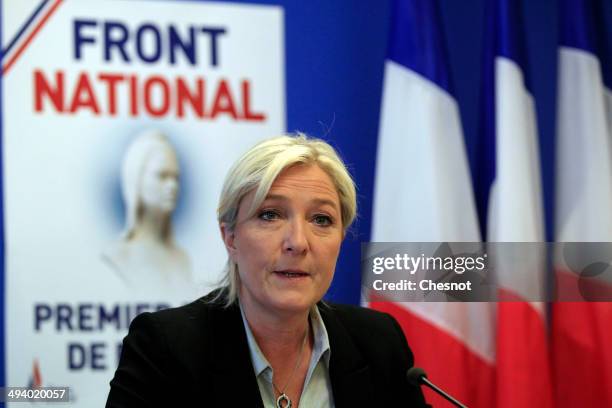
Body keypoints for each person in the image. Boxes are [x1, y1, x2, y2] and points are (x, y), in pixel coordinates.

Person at [106, 134, 429, 407]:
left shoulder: (379, 343)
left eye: (321, 220)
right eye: (270, 215)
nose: (298, 243)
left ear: (341, 238)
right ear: (230, 236)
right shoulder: (166, 349)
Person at [102, 129, 192, 294]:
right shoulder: (119, 256)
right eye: (162, 176)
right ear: (136, 180)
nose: (172, 186)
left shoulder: (181, 258)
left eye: (175, 177)